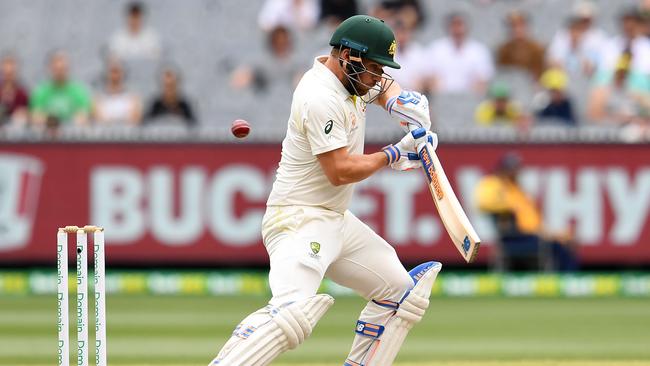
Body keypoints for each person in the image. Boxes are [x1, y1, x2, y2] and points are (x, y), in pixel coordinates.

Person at [209, 15, 442, 366]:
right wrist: (393, 154)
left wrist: (400, 101)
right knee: (291, 311)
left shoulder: (351, 78)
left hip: (335, 220)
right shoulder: (319, 96)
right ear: (349, 56)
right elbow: (339, 171)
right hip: (298, 219)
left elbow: (380, 90)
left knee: (401, 295)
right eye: (376, 69)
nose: (379, 79)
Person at [475, 152, 579, 271]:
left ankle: (568, 281)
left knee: (566, 240)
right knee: (559, 247)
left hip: (532, 233)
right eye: (512, 168)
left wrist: (554, 234)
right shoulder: (493, 184)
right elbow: (483, 203)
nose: (516, 171)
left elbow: (532, 221)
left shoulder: (516, 188)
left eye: (517, 168)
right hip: (514, 236)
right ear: (503, 169)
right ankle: (567, 280)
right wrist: (508, 207)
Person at [424, 12, 494, 94]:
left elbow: (483, 80)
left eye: (460, 25)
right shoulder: (435, 49)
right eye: (454, 25)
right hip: (440, 98)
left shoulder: (479, 51)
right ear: (447, 28)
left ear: (467, 27)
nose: (457, 30)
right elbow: (428, 78)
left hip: (470, 99)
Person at [30, 51, 91, 127]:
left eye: (62, 68)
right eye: (56, 68)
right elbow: (36, 115)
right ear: (50, 68)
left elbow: (83, 115)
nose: (59, 72)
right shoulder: (41, 91)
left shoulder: (79, 91)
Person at [546, 1, 607, 77]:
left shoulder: (599, 37)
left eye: (587, 19)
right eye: (582, 19)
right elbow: (552, 61)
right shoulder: (562, 36)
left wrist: (577, 48)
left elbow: (594, 67)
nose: (585, 22)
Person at [496, 10, 546, 79]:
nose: (517, 30)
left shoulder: (537, 49)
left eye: (520, 26)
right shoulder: (503, 50)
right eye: (513, 26)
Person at [93, 58, 142, 125]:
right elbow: (98, 119)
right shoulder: (99, 99)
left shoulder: (132, 98)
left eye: (117, 71)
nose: (115, 76)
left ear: (123, 73)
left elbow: (135, 120)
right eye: (112, 71)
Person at [0, 53, 29, 126]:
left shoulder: (22, 94)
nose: (9, 70)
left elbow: (29, 112)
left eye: (11, 72)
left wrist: (24, 113)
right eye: (6, 72)